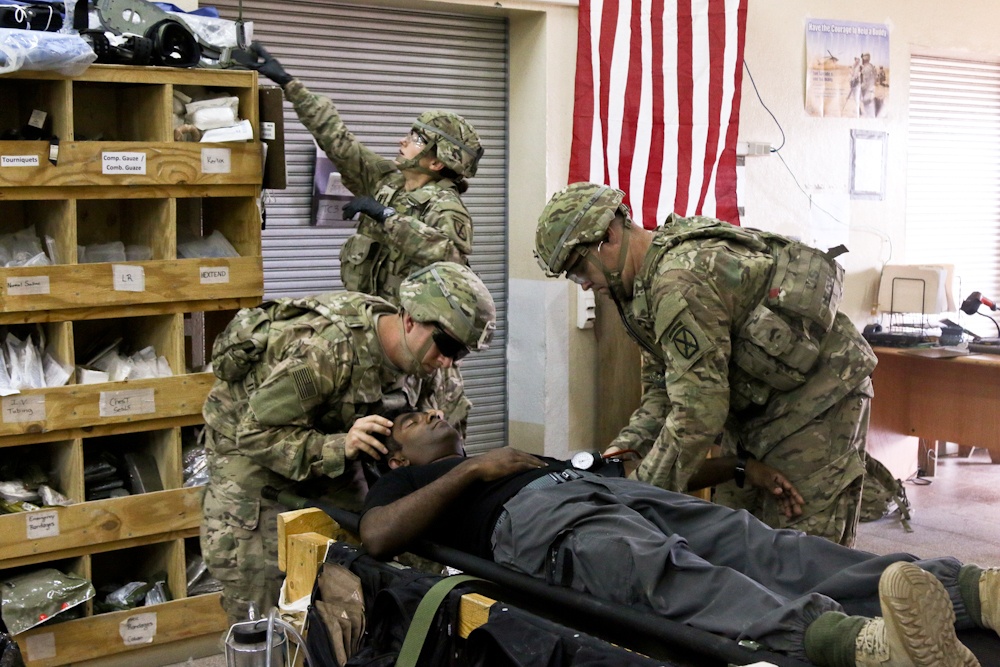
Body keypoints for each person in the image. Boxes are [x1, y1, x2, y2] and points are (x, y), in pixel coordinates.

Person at [360, 410, 999, 667]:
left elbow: (647, 466)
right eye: (408, 421)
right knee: (671, 572)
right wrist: (475, 469)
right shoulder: (411, 484)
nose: (426, 412)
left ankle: (971, 589)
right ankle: (861, 646)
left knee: (763, 544)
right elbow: (378, 535)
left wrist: (738, 469)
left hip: (605, 491)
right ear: (396, 459)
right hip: (541, 525)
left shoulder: (499, 451)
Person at [533, 183, 877, 546]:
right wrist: (623, 451)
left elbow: (698, 411)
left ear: (608, 236)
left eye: (579, 270)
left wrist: (633, 496)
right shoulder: (642, 291)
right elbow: (662, 392)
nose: (584, 285)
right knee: (737, 535)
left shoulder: (678, 282)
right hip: (754, 406)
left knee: (807, 547)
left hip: (819, 399)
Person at [200, 262, 495, 623]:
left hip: (340, 451)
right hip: (254, 459)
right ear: (410, 321)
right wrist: (338, 447)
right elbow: (256, 433)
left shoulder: (431, 363)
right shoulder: (324, 349)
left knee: (369, 562)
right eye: (447, 345)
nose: (449, 361)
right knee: (264, 601)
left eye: (460, 352)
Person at [233, 41, 484, 304]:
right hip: (369, 320)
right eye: (411, 133)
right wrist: (288, 83)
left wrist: (387, 217)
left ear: (437, 163)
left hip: (410, 330)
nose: (403, 141)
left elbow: (452, 263)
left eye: (418, 139)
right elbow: (336, 138)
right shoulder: (385, 180)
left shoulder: (446, 208)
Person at [859, 53, 878, 117]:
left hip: (867, 90)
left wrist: (860, 87)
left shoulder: (866, 68)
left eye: (863, 59)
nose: (862, 60)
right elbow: (875, 77)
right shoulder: (871, 66)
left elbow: (865, 82)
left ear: (865, 59)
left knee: (867, 106)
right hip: (871, 89)